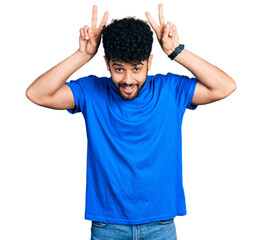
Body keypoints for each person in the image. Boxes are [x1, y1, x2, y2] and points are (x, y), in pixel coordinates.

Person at [25, 4, 237, 240]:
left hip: (160, 224)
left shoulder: (170, 90)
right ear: (107, 64)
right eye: (118, 69)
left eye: (136, 68)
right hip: (108, 226)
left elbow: (224, 87)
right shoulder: (91, 92)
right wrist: (83, 55)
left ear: (149, 62)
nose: (127, 79)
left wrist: (177, 51)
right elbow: (37, 94)